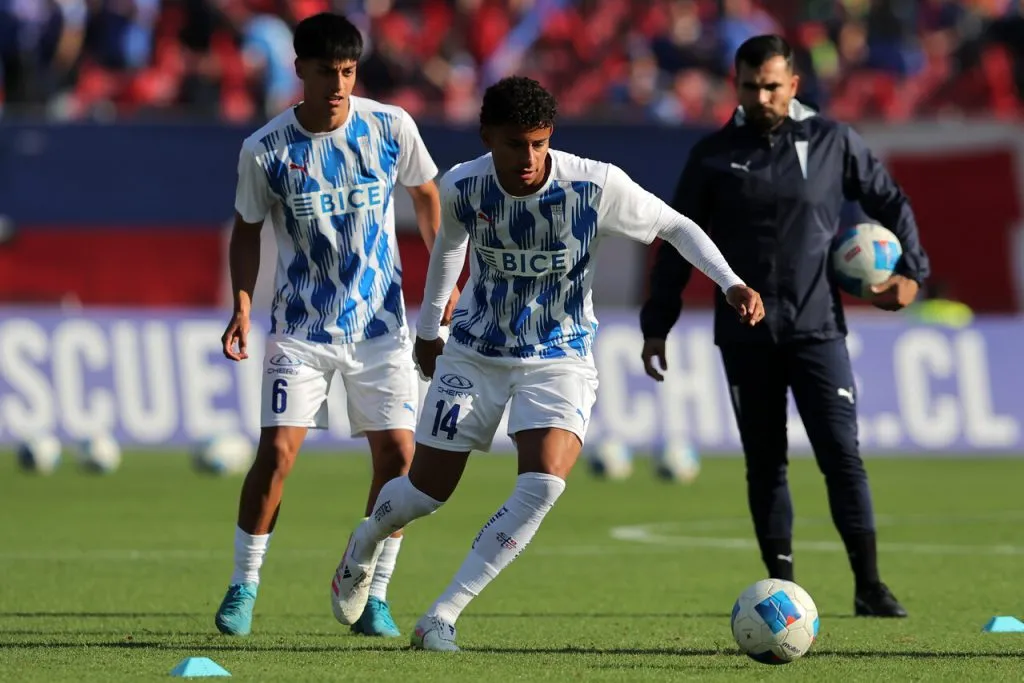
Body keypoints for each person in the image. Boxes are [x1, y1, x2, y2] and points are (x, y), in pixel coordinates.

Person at [327, 75, 765, 651]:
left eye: (538, 143)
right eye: (514, 144)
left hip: (560, 356)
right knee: (427, 493)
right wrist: (429, 329)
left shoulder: (594, 184)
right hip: (476, 353)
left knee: (543, 483)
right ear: (488, 137)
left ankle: (442, 616)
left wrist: (730, 283)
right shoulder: (464, 186)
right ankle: (364, 541)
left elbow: (674, 225)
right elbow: (448, 251)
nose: (528, 157)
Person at [639, 35, 930, 617]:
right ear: (737, 86)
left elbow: (890, 200)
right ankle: (782, 585)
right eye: (751, 86)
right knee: (765, 463)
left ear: (794, 85)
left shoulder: (832, 141)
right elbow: (676, 243)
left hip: (818, 329)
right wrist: (657, 323)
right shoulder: (712, 155)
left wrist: (912, 273)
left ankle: (869, 585)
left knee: (842, 455)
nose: (762, 96)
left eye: (773, 85)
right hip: (746, 336)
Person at [215, 12, 458, 638]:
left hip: (382, 328)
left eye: (348, 72)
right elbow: (246, 232)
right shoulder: (265, 149)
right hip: (300, 329)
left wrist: (444, 282)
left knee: (400, 459)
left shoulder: (390, 126)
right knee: (276, 453)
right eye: (327, 72)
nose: (339, 85)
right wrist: (242, 304)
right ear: (300, 70)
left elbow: (427, 196)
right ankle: (244, 586)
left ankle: (374, 593)